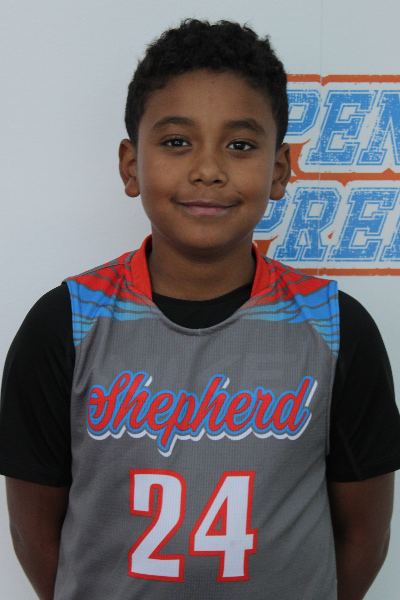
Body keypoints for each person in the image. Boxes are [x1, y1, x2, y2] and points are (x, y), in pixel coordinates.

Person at [1, 18, 400, 600]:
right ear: (131, 165)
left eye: (240, 145)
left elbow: (363, 535)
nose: (208, 169)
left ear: (280, 171)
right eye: (176, 142)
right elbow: (35, 534)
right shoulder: (65, 325)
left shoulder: (337, 329)